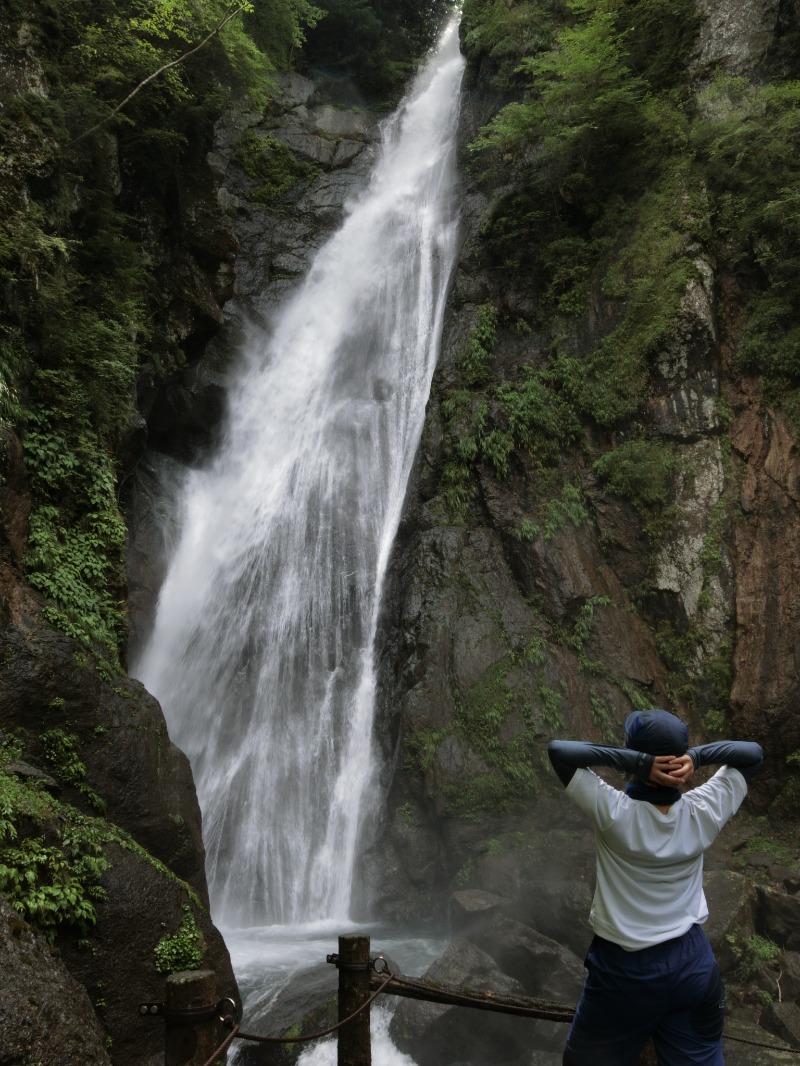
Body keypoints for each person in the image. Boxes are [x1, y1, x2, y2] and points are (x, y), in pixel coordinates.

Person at [547, 708, 763, 1066]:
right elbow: (753, 753)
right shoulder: (704, 811)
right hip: (692, 967)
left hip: (624, 975)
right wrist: (696, 757)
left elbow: (559, 751)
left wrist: (636, 762)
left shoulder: (614, 812)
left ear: (638, 757)